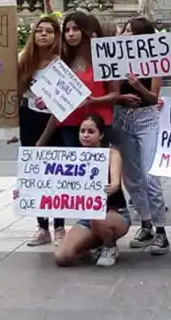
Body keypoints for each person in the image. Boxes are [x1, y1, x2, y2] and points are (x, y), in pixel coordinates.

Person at [116, 17, 169, 255]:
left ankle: (161, 230)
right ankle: (145, 223)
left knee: (150, 175)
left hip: (147, 118)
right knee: (131, 177)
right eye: (125, 30)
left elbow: (154, 98)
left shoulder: (154, 60)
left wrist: (137, 86)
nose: (126, 34)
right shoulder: (117, 60)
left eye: (131, 31)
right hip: (123, 118)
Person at [52, 114, 130, 267]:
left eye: (90, 131)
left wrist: (112, 186)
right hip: (87, 218)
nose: (86, 135)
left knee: (97, 218)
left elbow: (115, 182)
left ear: (100, 134)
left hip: (114, 213)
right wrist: (27, 193)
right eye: (82, 131)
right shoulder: (73, 157)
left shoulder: (112, 154)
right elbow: (54, 186)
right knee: (62, 257)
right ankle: (93, 243)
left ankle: (109, 246)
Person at [38, 11, 123, 148]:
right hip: (69, 125)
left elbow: (115, 94)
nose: (70, 34)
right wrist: (48, 101)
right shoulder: (62, 62)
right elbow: (57, 107)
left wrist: (93, 100)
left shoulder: (105, 58)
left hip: (98, 126)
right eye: (66, 30)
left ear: (86, 30)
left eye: (75, 29)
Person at [17, 15, 64, 246]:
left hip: (54, 120)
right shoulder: (23, 60)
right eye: (39, 31)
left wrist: (43, 139)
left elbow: (63, 103)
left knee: (56, 172)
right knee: (34, 172)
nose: (43, 34)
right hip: (29, 118)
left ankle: (60, 226)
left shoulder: (61, 63)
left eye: (49, 31)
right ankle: (42, 226)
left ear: (56, 36)